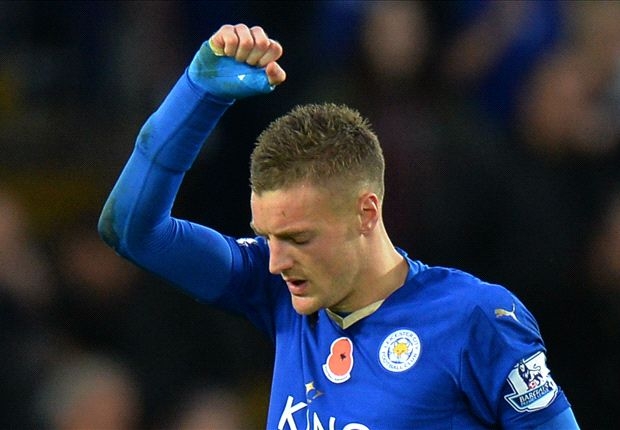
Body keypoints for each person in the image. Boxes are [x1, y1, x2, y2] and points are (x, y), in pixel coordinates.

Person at [99, 23, 580, 429]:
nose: (276, 261)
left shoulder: (473, 319)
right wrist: (198, 94)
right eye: (267, 237)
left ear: (366, 213)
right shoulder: (277, 292)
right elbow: (133, 231)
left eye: (298, 238)